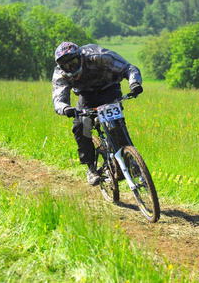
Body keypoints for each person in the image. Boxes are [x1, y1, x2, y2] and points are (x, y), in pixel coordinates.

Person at [52, 42, 143, 186]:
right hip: (86, 95)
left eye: (73, 62)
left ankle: (131, 161)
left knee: (116, 123)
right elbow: (58, 97)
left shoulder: (99, 57)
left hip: (109, 88)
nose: (71, 67)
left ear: (80, 56)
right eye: (66, 66)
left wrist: (134, 84)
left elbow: (128, 68)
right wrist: (65, 108)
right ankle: (91, 168)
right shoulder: (60, 74)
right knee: (80, 125)